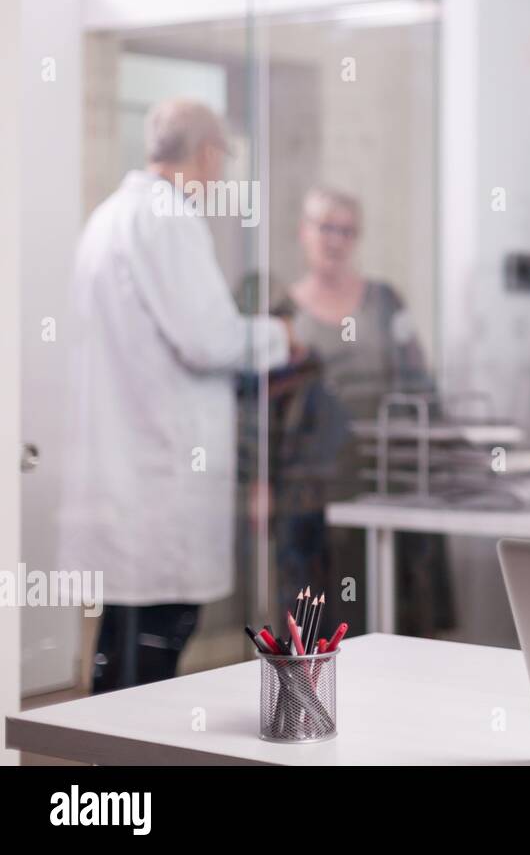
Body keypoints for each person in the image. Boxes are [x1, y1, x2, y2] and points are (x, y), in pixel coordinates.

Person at [59, 99, 293, 692]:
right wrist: (279, 337)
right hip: (159, 478)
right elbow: (209, 339)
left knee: (124, 640)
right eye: (225, 156)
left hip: (128, 471)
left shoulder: (111, 216)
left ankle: (105, 770)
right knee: (153, 643)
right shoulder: (168, 218)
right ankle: (126, 775)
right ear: (209, 153)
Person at [255, 186, 451, 637]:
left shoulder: (384, 302)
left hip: (383, 482)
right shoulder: (282, 314)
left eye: (346, 230)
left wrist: (440, 464)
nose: (335, 240)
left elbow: (420, 384)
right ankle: (308, 705)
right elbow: (262, 407)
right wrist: (259, 482)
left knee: (383, 611)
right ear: (304, 233)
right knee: (312, 623)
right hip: (308, 492)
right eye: (325, 227)